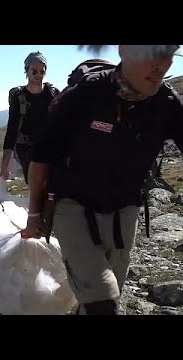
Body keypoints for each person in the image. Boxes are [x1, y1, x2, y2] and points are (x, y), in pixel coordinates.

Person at [21, 45, 183, 315]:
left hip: (124, 211)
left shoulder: (165, 103)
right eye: (152, 54)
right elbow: (41, 157)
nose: (160, 65)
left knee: (107, 296)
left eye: (168, 55)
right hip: (72, 207)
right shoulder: (85, 95)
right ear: (126, 51)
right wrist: (35, 214)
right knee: (103, 298)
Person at [0, 51, 60, 185]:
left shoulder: (53, 94)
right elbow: (12, 131)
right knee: (37, 187)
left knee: (53, 188)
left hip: (49, 146)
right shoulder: (19, 98)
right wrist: (5, 166)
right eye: (34, 71)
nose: (38, 75)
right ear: (26, 71)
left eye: (42, 71)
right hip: (27, 150)